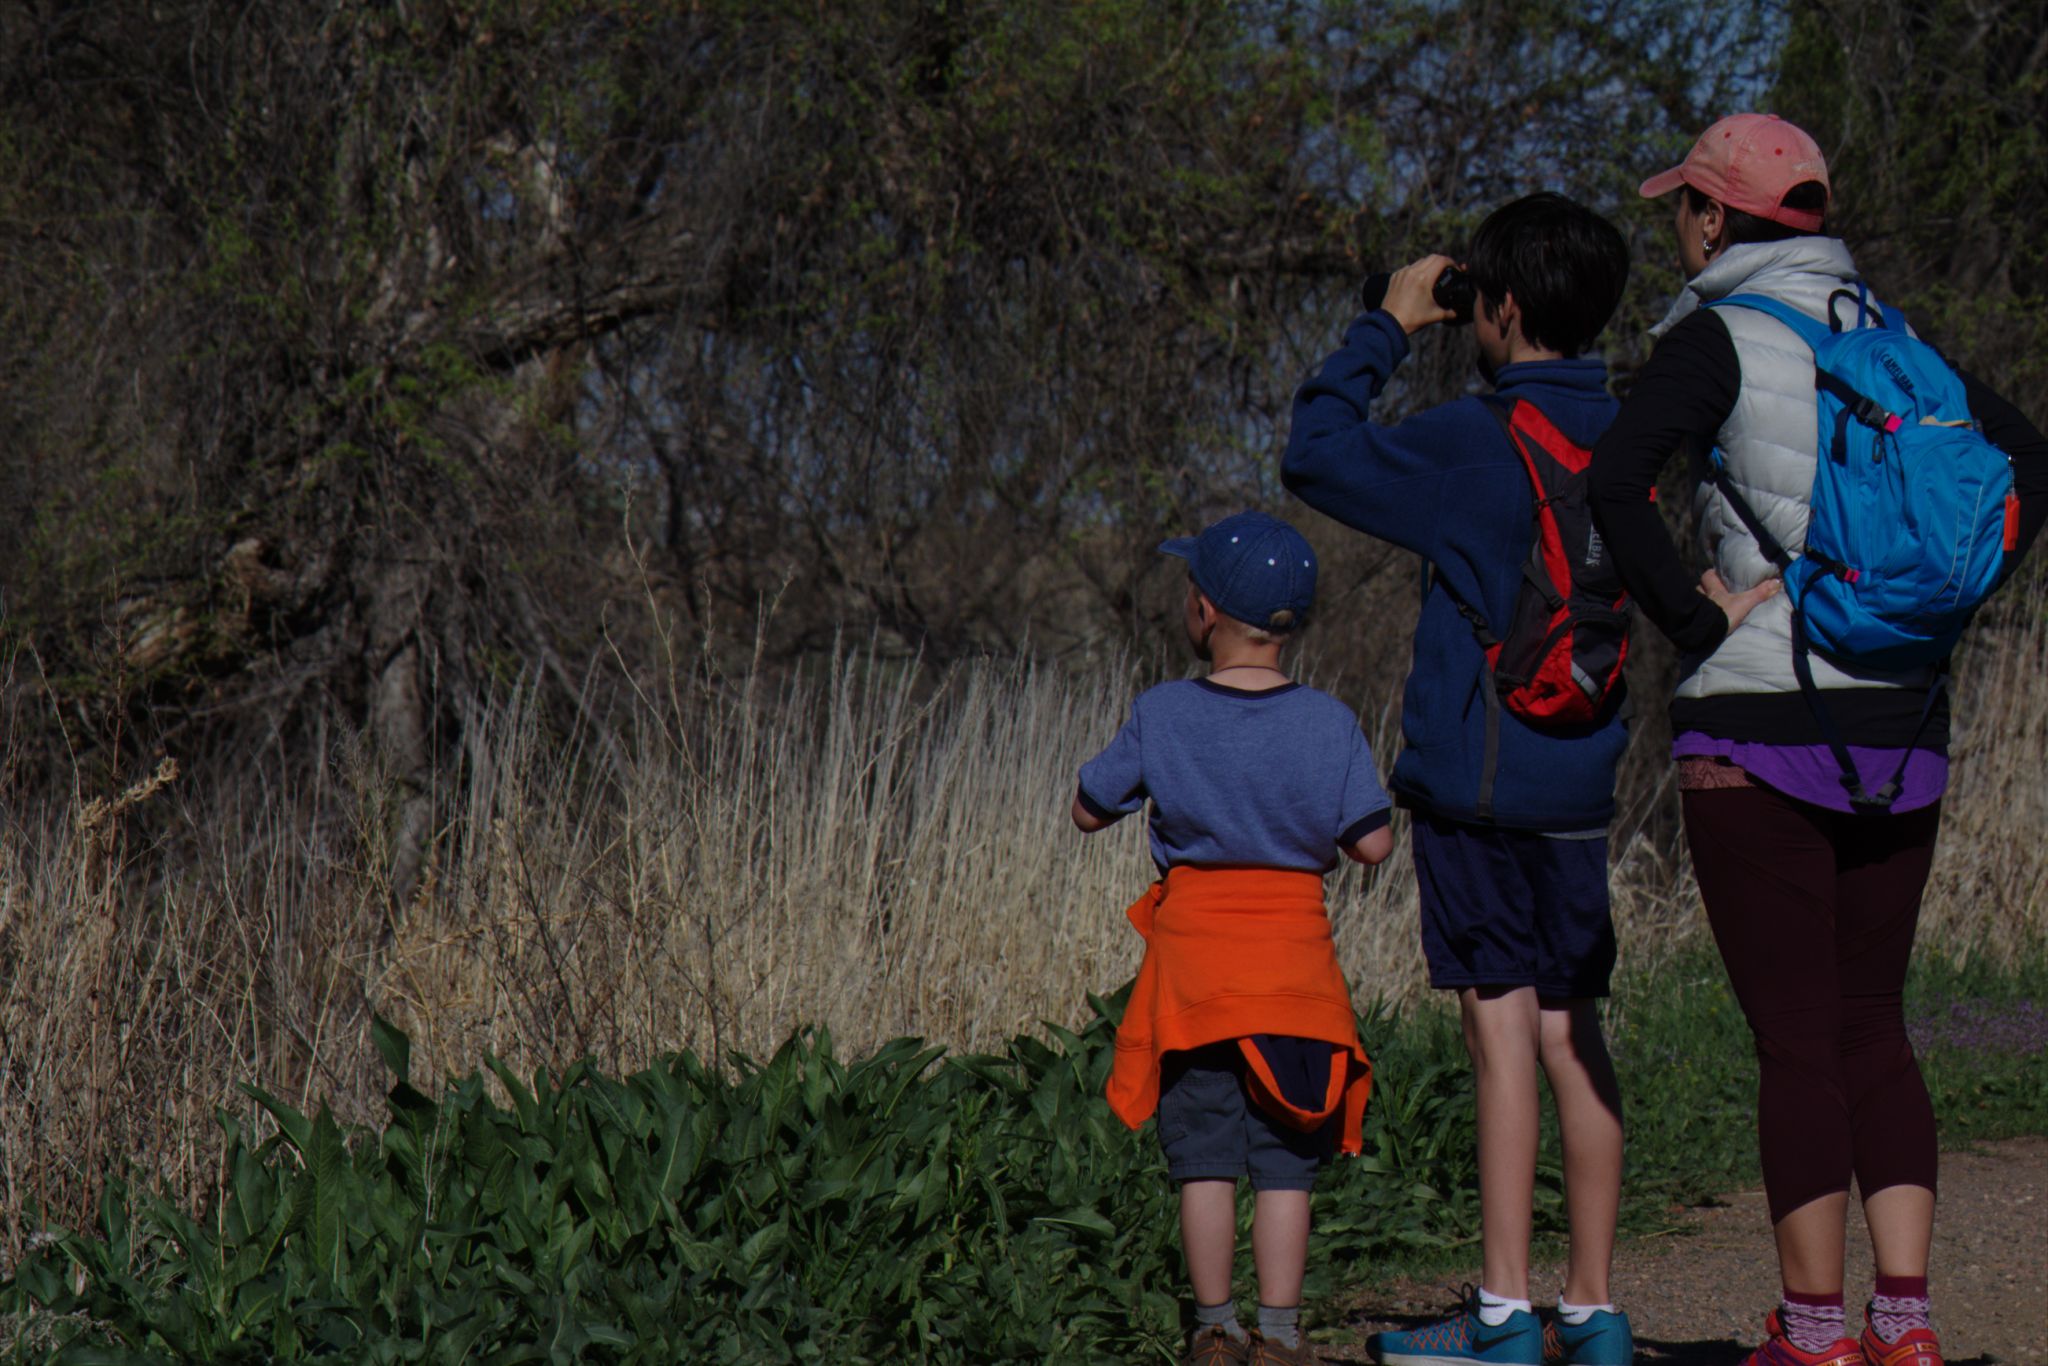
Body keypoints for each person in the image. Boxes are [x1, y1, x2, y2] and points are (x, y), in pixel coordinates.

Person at [1587, 113, 2048, 1366]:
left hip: (1757, 715)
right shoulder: (1894, 337)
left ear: (1717, 219)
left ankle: (1809, 1333)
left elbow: (1613, 481)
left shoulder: (1713, 339)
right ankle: (1901, 1326)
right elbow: (2028, 460)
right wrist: (1943, 603)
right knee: (1872, 1024)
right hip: (1903, 714)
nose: (1677, 226)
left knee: (1793, 1038)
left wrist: (1687, 615)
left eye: (1683, 205)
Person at [1282, 192, 1637, 1366]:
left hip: (1481, 791)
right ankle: (1588, 1312)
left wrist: (1385, 323)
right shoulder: (1628, 433)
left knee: (1499, 1038)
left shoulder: (1475, 439)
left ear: (1496, 308)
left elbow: (1315, 455)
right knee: (1569, 1034)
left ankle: (1498, 1315)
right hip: (1582, 785)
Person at [1073, 509, 1395, 1366]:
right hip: (1296, 979)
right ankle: (1281, 1336)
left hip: (1195, 982)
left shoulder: (1163, 712)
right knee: (1288, 1165)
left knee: (1206, 1161)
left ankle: (1214, 1328)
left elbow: (1087, 809)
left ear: (1205, 612)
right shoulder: (1330, 722)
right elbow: (1374, 844)